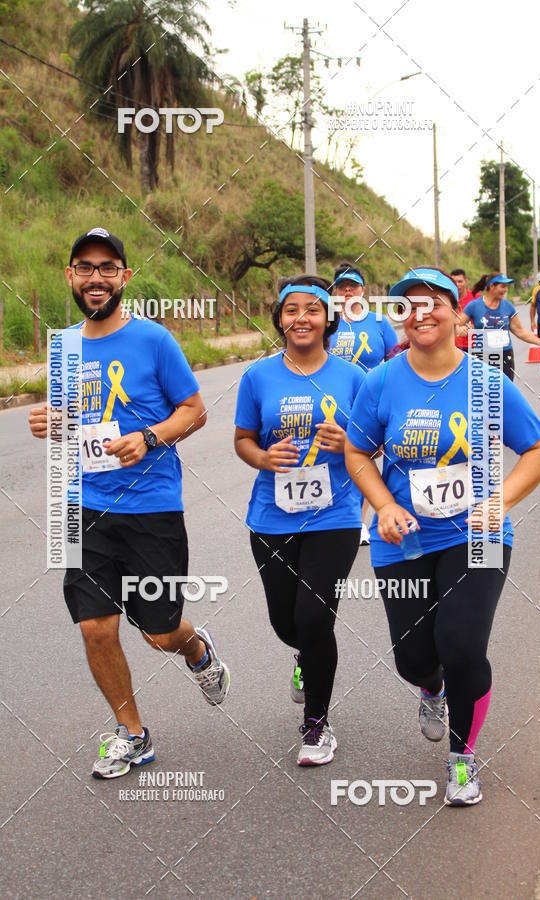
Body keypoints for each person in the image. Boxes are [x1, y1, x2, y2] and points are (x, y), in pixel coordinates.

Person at [345, 265, 540, 806]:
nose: (422, 311)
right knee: (415, 659)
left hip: (477, 536)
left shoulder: (486, 382)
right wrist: (384, 504)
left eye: (433, 300)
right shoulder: (382, 382)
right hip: (404, 539)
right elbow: (356, 452)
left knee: (461, 646)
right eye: (408, 304)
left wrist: (500, 501)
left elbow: (539, 451)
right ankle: (430, 688)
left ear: (457, 312)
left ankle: (462, 756)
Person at [29, 228, 230, 779]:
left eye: (108, 267)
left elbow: (194, 410)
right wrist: (48, 423)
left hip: (150, 507)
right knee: (95, 627)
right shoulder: (63, 345)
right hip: (77, 506)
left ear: (125, 277)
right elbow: (69, 419)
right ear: (70, 276)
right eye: (85, 267)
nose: (96, 277)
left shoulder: (154, 340)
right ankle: (132, 734)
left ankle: (195, 649)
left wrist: (149, 437)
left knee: (159, 633)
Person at [234, 274, 364, 766]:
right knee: (286, 622)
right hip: (271, 516)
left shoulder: (354, 377)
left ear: (329, 318)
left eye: (313, 309)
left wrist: (348, 442)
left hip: (335, 514)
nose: (301, 318)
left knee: (314, 618)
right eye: (292, 310)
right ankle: (304, 657)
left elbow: (374, 443)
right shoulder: (258, 377)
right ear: (280, 319)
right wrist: (263, 459)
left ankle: (316, 726)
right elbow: (244, 438)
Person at [329, 262, 397, 545]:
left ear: (363, 290)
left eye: (353, 286)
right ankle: (333, 515)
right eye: (342, 287)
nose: (347, 292)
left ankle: (357, 522)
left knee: (364, 456)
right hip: (333, 400)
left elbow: (395, 360)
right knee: (335, 456)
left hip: (370, 402)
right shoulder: (328, 321)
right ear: (334, 291)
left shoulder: (379, 322)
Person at [459, 272, 540, 381]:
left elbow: (520, 331)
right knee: (482, 393)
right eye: (503, 286)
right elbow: (456, 325)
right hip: (481, 354)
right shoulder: (474, 306)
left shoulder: (508, 306)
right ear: (492, 286)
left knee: (504, 392)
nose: (506, 290)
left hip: (504, 354)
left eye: (507, 287)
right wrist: (460, 329)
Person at [450, 268, 473, 351]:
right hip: (453, 346)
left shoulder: (476, 298)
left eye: (460, 281)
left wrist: (472, 327)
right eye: (454, 282)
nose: (457, 284)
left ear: (466, 281)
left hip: (474, 346)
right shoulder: (446, 299)